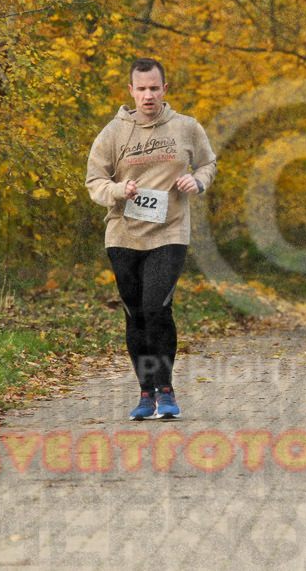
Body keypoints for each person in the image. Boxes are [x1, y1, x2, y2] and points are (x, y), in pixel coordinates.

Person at [86, 58, 217, 420]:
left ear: (165, 89)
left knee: (156, 307)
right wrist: (117, 190)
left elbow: (208, 163)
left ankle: (166, 390)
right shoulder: (113, 133)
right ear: (130, 91)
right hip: (124, 234)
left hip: (170, 231)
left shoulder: (186, 128)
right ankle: (146, 393)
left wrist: (198, 181)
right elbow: (94, 181)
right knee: (135, 314)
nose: (148, 95)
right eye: (141, 89)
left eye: (154, 88)